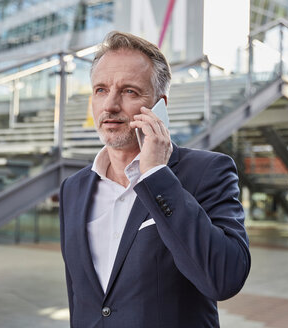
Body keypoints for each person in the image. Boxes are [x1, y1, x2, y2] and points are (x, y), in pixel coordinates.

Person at [59, 31, 251, 327]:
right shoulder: (74, 188)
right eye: (100, 90)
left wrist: (157, 176)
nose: (110, 105)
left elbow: (224, 279)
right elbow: (80, 299)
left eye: (129, 91)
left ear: (159, 105)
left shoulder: (207, 171)